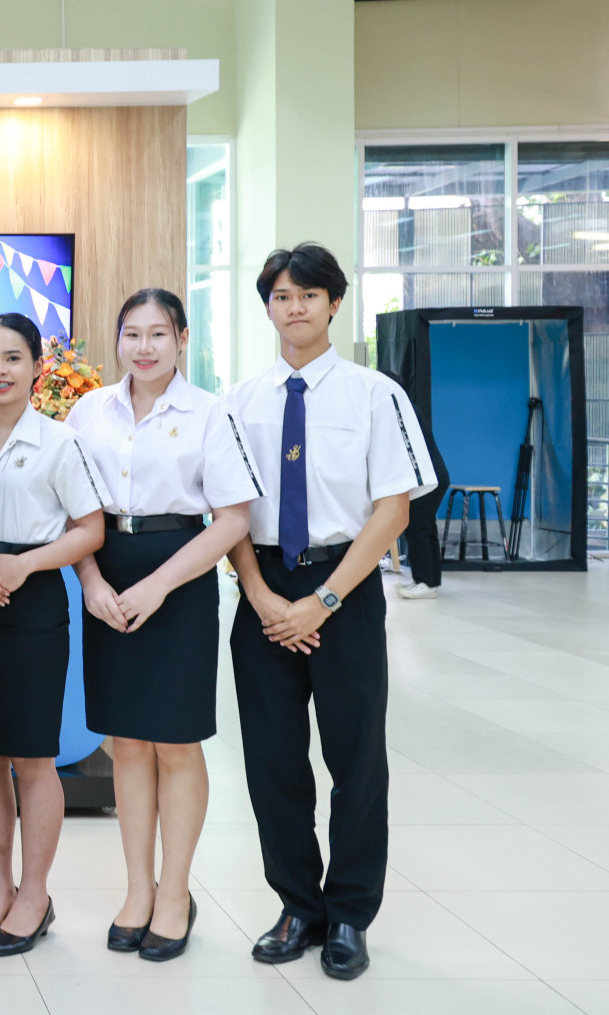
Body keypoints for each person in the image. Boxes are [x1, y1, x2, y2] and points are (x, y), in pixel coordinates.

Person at [224, 244, 435, 981]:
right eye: (282, 296)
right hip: (264, 591)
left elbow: (393, 511)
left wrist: (324, 600)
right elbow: (229, 512)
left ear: (335, 303)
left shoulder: (376, 395)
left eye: (309, 295)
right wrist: (260, 595)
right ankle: (297, 907)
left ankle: (348, 913)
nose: (296, 307)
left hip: (344, 588)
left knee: (356, 760)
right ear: (269, 307)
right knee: (272, 762)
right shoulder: (240, 402)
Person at [67, 289, 261, 962]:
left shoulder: (210, 412)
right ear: (117, 339)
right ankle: (137, 890)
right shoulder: (89, 411)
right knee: (124, 742)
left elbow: (232, 520)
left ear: (181, 338)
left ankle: (175, 894)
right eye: (131, 334)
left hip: (179, 573)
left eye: (158, 334)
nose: (143, 347)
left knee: (176, 743)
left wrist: (157, 585)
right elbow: (73, 510)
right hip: (105, 570)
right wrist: (91, 581)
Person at [0, 313, 106, 957]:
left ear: (36, 366)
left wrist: (26, 564)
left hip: (32, 598)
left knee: (33, 757)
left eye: (12, 358)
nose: (0, 370)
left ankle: (35, 895)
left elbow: (90, 530)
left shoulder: (60, 442)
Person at [381, 369, 448, 599]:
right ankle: (429, 581)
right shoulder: (407, 407)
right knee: (426, 528)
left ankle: (425, 583)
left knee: (417, 528)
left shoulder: (400, 410)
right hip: (434, 476)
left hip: (427, 479)